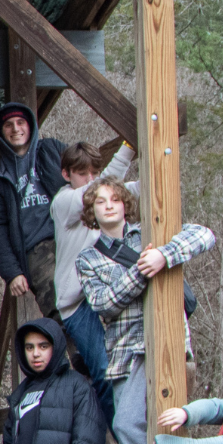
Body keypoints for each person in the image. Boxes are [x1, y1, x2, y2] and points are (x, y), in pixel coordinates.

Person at [75, 176, 217, 444]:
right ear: (92, 212)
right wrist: (141, 270)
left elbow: (204, 235)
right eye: (100, 201)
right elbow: (104, 303)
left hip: (169, 342)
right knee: (126, 426)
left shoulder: (150, 234)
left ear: (125, 204)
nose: (109, 205)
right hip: (126, 354)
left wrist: (164, 255)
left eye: (114, 199)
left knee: (169, 425)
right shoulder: (89, 258)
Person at [50, 140, 138, 420]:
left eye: (93, 172)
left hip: (110, 293)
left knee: (130, 366)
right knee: (103, 369)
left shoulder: (105, 200)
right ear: (67, 175)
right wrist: (127, 147)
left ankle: (136, 430)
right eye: (82, 173)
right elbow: (98, 190)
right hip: (77, 303)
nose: (90, 180)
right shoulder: (64, 202)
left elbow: (131, 189)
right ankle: (122, 432)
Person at [0, 318, 105, 444]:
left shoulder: (76, 387)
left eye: (43, 346)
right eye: (29, 347)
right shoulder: (21, 392)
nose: (35, 353)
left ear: (55, 346)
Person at [0, 101, 69, 318]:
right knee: (61, 312)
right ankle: (77, 353)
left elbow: (85, 176)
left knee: (97, 300)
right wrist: (12, 273)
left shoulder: (52, 150)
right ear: (1, 132)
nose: (16, 129)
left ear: (31, 126)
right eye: (8, 125)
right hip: (38, 251)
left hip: (72, 237)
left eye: (21, 122)